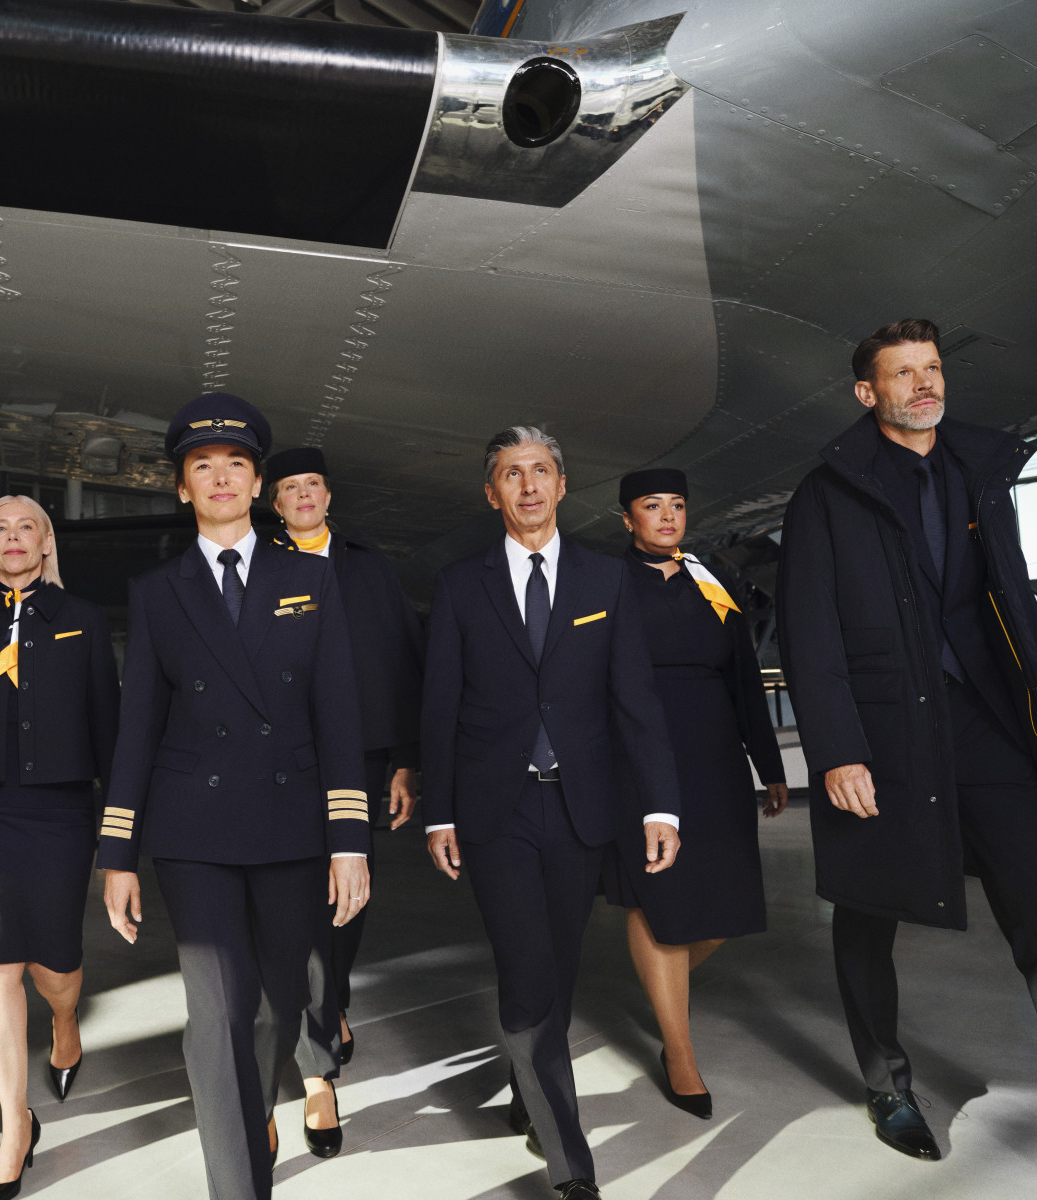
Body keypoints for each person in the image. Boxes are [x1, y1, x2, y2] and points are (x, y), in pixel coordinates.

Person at [98, 394, 371, 1200]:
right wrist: (118, 854)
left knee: (278, 1008)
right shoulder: (158, 590)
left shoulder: (311, 577)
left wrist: (350, 841)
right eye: (202, 466)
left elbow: (338, 713)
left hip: (292, 825)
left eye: (237, 464)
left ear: (257, 485)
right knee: (218, 1017)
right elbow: (137, 728)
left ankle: (254, 1119)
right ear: (182, 486)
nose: (220, 477)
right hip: (194, 830)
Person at [777, 318, 1037, 1160]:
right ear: (868, 392)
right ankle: (887, 1085)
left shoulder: (981, 471)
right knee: (867, 911)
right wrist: (836, 750)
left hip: (988, 723)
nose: (925, 384)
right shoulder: (827, 494)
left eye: (932, 369)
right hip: (883, 735)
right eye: (904, 373)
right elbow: (809, 631)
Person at [422, 426, 681, 1200]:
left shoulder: (607, 579)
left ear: (563, 486)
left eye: (541, 471)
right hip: (494, 810)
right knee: (529, 968)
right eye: (512, 474)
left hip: (579, 805)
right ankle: (571, 1165)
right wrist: (439, 814)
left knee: (559, 966)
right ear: (492, 493)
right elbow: (439, 706)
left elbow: (636, 700)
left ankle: (527, 1086)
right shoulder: (460, 585)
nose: (528, 486)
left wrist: (661, 805)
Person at [0, 494, 119, 1199]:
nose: (12, 538)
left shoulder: (83, 620)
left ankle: (66, 1020)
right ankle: (16, 1126)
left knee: (53, 964)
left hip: (58, 814)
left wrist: (119, 832)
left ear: (46, 543)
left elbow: (109, 730)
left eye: (25, 527)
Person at [602, 468, 789, 1119]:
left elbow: (745, 680)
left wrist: (769, 763)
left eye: (677, 505)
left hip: (715, 758)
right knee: (659, 894)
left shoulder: (714, 582)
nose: (667, 516)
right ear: (628, 518)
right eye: (652, 506)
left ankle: (665, 986)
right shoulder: (605, 583)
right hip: (638, 758)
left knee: (730, 903)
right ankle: (678, 1052)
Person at [266, 446, 424, 1156]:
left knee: (348, 896)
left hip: (358, 756)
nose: (303, 496)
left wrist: (406, 761)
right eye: (290, 487)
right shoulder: (256, 565)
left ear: (329, 496)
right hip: (280, 760)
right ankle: (318, 1072)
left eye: (313, 485)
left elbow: (402, 660)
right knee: (298, 904)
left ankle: (332, 1001)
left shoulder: (369, 566)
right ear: (275, 503)